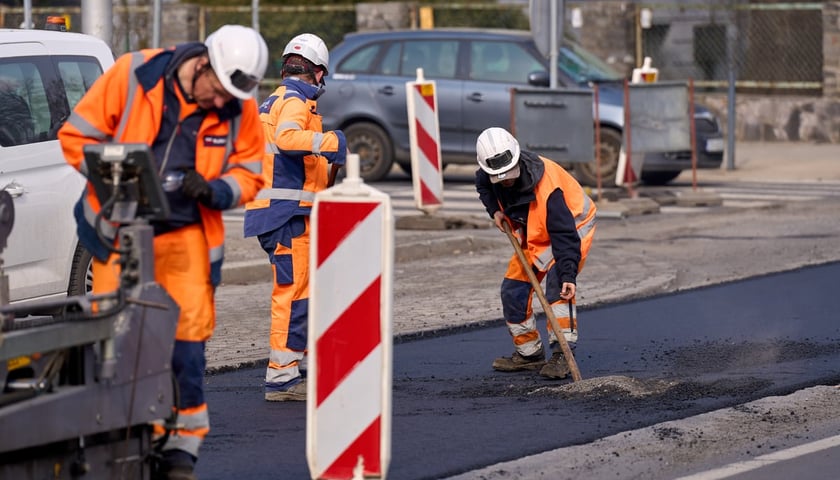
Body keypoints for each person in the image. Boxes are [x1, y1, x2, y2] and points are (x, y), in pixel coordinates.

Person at [58, 24, 269, 479]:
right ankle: (119, 440)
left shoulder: (238, 106)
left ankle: (180, 451)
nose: (220, 103)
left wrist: (213, 190)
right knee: (115, 340)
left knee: (186, 348)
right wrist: (116, 173)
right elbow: (76, 136)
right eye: (216, 91)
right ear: (202, 63)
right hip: (121, 234)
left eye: (230, 98)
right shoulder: (135, 74)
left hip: (186, 236)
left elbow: (252, 171)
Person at [243, 33, 347, 402]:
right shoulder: (295, 102)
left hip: (279, 214)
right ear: (318, 73)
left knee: (298, 292)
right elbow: (289, 140)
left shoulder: (273, 101)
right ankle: (283, 379)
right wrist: (331, 143)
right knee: (293, 294)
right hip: (285, 217)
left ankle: (290, 368)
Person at [474, 127, 596, 380]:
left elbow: (564, 237)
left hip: (571, 229)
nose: (505, 181)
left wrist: (568, 275)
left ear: (517, 159)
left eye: (509, 175)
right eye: (500, 177)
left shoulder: (548, 190)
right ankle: (529, 354)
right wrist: (494, 212)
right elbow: (484, 186)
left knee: (557, 288)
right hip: (534, 231)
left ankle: (563, 355)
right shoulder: (489, 172)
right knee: (513, 289)